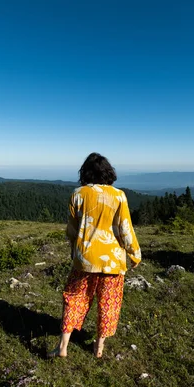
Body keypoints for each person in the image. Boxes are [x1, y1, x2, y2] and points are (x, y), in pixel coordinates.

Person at [48, 152, 141, 358]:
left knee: (74, 298)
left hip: (85, 259)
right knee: (108, 302)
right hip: (113, 261)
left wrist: (75, 252)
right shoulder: (119, 196)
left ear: (86, 172)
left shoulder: (78, 194)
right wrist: (134, 253)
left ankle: (62, 347)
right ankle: (99, 348)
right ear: (108, 172)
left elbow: (71, 231)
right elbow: (125, 229)